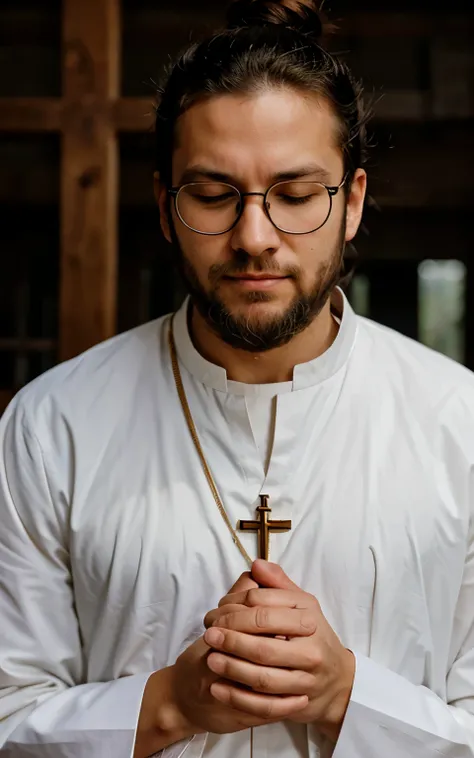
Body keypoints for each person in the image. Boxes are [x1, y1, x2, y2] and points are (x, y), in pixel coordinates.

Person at [1, 0, 474, 756]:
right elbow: (6, 713)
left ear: (350, 202)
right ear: (165, 206)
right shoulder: (52, 424)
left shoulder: (459, 423)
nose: (255, 237)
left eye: (294, 196)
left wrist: (346, 697)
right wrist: (168, 704)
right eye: (215, 196)